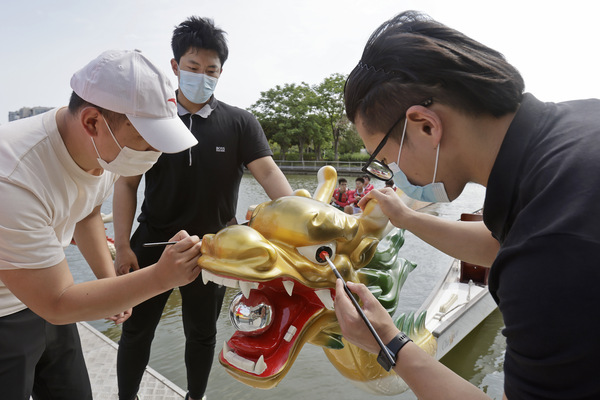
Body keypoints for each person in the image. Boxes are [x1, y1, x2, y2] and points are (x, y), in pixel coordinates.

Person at [336, 10, 600, 400]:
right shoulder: (577, 126)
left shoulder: (551, 250)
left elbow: (537, 249)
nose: (391, 173)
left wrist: (388, 342)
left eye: (384, 159)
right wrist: (405, 218)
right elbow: (502, 243)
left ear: (426, 125)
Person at [0, 49, 202, 400]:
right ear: (92, 121)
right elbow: (57, 302)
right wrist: (161, 277)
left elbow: (88, 213)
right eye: (146, 139)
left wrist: (111, 285)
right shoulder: (13, 177)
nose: (153, 153)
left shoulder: (102, 152)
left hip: (44, 289)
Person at [113, 17, 293, 400]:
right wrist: (123, 246)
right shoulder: (151, 121)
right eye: (193, 67)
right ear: (175, 66)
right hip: (152, 243)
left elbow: (269, 174)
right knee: (136, 330)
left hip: (214, 248)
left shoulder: (240, 123)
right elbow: (126, 184)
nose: (202, 76)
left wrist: (301, 219)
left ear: (221, 72)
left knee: (202, 333)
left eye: (211, 70)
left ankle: (194, 397)